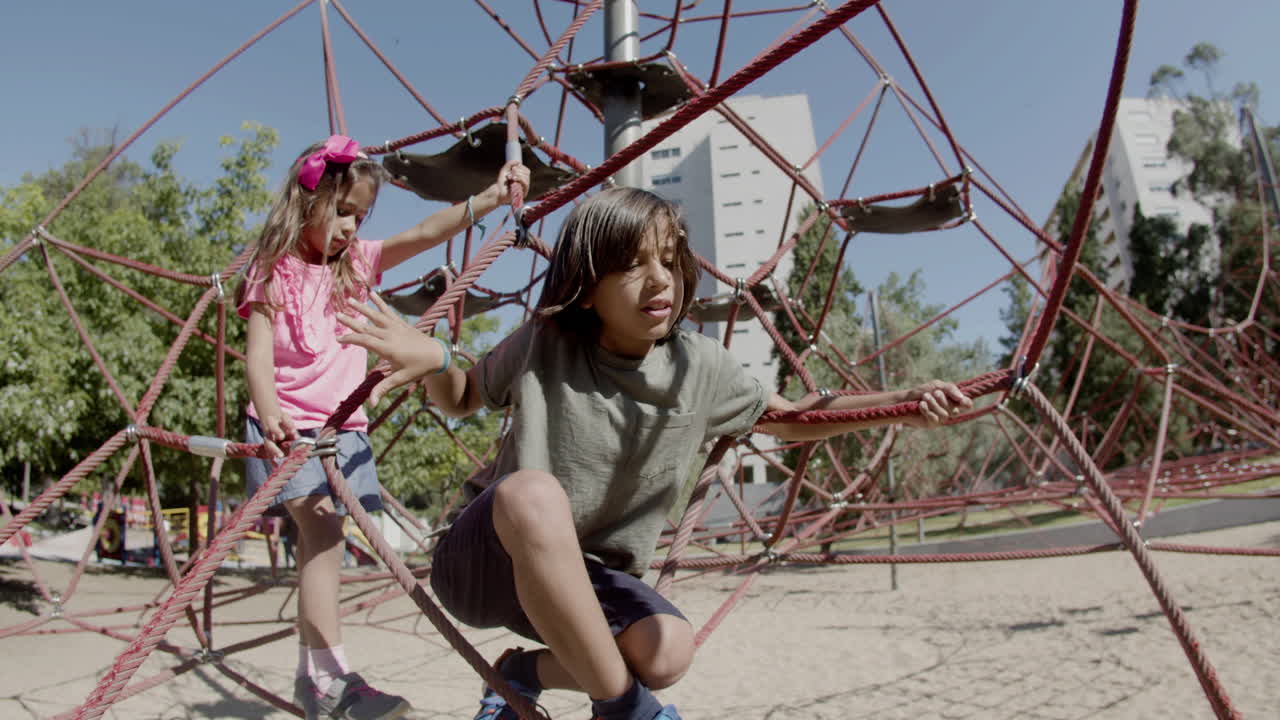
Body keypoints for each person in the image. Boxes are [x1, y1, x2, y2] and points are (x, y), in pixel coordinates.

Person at [337, 187, 972, 720]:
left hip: (586, 580)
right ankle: (627, 711)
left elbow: (790, 418)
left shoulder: (702, 367)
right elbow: (463, 396)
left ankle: (523, 672)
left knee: (668, 650)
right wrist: (437, 359)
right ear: (587, 288)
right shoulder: (547, 341)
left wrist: (902, 403)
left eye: (669, 260)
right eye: (632, 265)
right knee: (532, 492)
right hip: (485, 561)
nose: (660, 278)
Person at [238, 134, 529, 720]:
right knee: (322, 537)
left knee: (324, 545)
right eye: (341, 211)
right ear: (306, 199)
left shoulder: (356, 265)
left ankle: (313, 678)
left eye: (360, 216)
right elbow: (258, 353)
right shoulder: (273, 269)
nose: (350, 227)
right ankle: (330, 680)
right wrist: (268, 411)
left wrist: (491, 199)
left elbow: (422, 234)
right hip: (291, 429)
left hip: (345, 432)